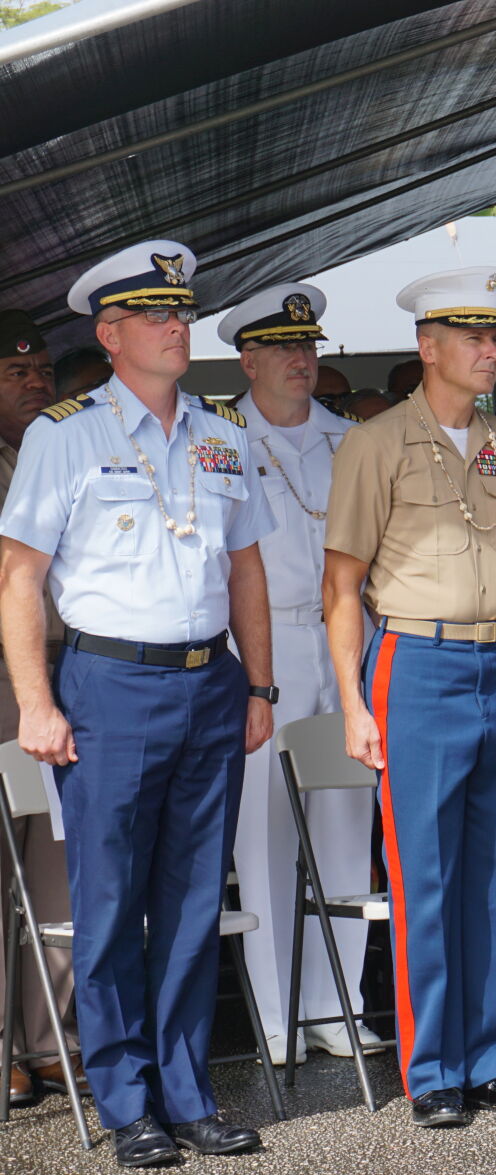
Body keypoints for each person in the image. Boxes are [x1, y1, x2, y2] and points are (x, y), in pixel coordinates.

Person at [0, 240, 275, 1165]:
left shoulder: (222, 431)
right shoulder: (63, 434)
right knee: (112, 904)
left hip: (209, 683)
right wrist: (36, 702)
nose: (176, 324)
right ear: (110, 333)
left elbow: (247, 567)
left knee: (195, 898)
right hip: (109, 686)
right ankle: (125, 1102)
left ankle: (188, 1091)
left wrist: (260, 682)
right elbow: (19, 577)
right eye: (157, 313)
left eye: (183, 310)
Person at [323, 266, 496, 1126]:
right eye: (473, 338)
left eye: (495, 338)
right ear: (428, 348)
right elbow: (341, 585)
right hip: (414, 665)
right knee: (425, 872)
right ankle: (431, 1072)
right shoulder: (373, 443)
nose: (491, 352)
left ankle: (488, 1057)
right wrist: (354, 701)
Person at [213, 285, 380, 1068]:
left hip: (344, 638)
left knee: (348, 826)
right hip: (262, 642)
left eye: (307, 345)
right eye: (282, 347)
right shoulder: (216, 436)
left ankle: (337, 1005)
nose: (300, 359)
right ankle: (278, 1015)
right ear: (246, 358)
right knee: (268, 833)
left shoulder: (353, 440)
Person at [0, 310, 79, 1110]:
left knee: (56, 868)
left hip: (69, 672)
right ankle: (1, 1051)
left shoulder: (59, 455)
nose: (35, 383)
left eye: (42, 372)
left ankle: (49, 1036)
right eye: (15, 373)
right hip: (4, 677)